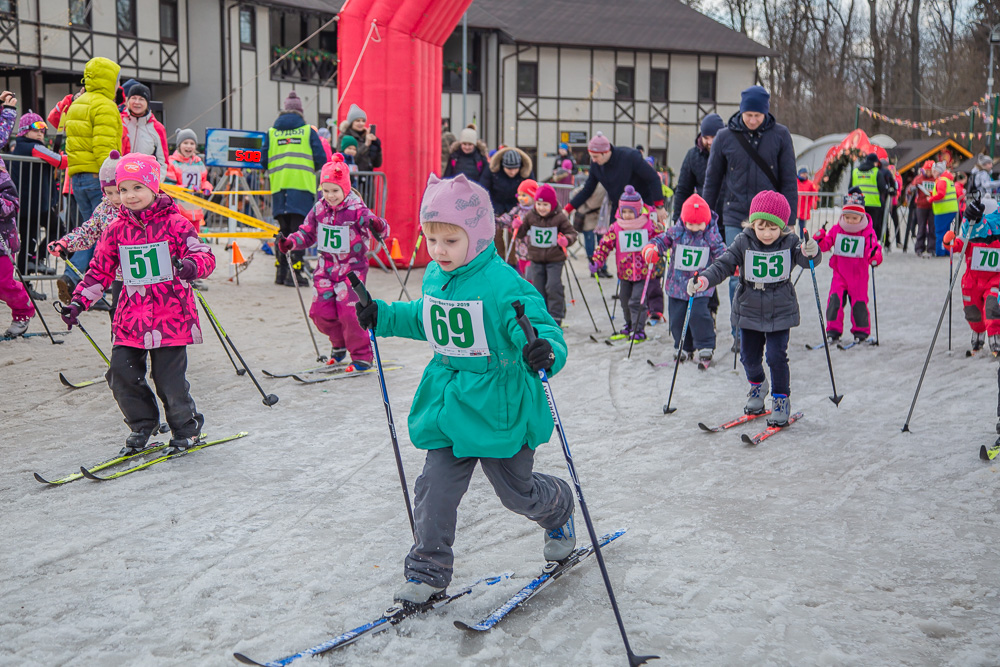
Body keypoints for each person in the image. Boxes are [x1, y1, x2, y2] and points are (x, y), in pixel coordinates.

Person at [352, 173, 576, 605]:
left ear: (476, 237)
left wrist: (543, 351)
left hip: (499, 407)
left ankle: (558, 507)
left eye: (449, 241)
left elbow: (540, 328)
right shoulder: (437, 276)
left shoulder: (502, 283)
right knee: (434, 489)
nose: (437, 251)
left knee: (517, 493)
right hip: (449, 404)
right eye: (431, 239)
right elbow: (425, 317)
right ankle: (428, 570)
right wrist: (382, 314)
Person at [59, 152, 216, 455]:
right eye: (123, 189)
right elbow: (100, 270)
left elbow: (203, 254)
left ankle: (186, 428)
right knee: (121, 373)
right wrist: (78, 302)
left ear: (154, 187)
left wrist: (190, 266)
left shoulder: (176, 223)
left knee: (168, 379)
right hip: (131, 315)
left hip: (171, 315)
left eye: (137, 188)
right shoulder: (116, 229)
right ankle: (143, 424)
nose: (129, 196)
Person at [688, 191, 821, 427]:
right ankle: (758, 387)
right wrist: (705, 280)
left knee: (776, 356)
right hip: (748, 309)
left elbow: (806, 259)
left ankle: (780, 399)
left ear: (783, 226)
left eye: (773, 228)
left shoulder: (790, 242)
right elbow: (723, 264)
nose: (767, 233)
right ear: (752, 223)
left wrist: (811, 250)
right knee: (748, 357)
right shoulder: (743, 241)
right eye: (761, 226)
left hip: (780, 310)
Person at [701, 85, 797, 350]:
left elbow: (789, 179)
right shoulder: (724, 137)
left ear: (765, 113)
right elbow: (712, 181)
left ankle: (768, 327)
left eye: (758, 115)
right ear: (741, 111)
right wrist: (707, 215)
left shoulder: (780, 135)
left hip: (772, 218)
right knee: (737, 275)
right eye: (748, 115)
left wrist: (790, 219)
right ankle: (740, 332)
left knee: (769, 276)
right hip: (736, 215)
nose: (753, 120)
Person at [276, 154, 389, 371]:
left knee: (350, 313)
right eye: (325, 191)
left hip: (352, 271)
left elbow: (382, 229)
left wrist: (377, 225)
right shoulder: (319, 208)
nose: (330, 196)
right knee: (320, 313)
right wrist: (290, 242)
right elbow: (306, 233)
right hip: (325, 269)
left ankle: (362, 356)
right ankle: (338, 346)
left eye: (335, 191)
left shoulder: (357, 209)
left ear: (345, 188)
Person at [641, 194, 726, 365]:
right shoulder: (677, 232)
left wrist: (730, 263)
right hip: (677, 285)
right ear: (683, 220)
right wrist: (652, 249)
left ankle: (705, 346)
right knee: (677, 318)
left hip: (700, 285)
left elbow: (721, 251)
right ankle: (683, 346)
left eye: (699, 224)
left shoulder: (710, 234)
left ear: (706, 221)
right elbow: (661, 240)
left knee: (698, 315)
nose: (694, 228)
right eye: (690, 224)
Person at [63, 56, 123, 288]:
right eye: (117, 80)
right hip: (99, 176)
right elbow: (105, 148)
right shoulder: (105, 105)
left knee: (90, 228)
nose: (119, 85)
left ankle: (80, 280)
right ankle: (79, 279)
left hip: (77, 175)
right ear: (109, 79)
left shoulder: (77, 102)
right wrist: (113, 179)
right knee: (101, 233)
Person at [48, 151, 123, 315]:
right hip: (117, 274)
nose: (115, 198)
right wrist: (66, 242)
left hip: (144, 275)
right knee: (118, 314)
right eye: (109, 193)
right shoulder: (105, 208)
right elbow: (88, 231)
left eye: (119, 191)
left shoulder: (139, 207)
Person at [263, 91, 327, 286]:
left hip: (279, 189)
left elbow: (263, 161)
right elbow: (321, 159)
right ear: (300, 111)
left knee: (282, 231)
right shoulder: (308, 131)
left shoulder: (272, 133)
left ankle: (281, 273)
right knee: (299, 232)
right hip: (302, 188)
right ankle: (295, 273)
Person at [7, 111, 67, 297]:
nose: (41, 132)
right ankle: (35, 262)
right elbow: (61, 162)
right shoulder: (31, 146)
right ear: (25, 130)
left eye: (44, 128)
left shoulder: (26, 145)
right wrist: (65, 156)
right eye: (37, 128)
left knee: (33, 239)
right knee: (57, 229)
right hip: (32, 204)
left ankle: (35, 262)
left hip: (32, 203)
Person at [588, 186, 658, 342]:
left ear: (638, 211)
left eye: (630, 212)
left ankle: (639, 329)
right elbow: (605, 244)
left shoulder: (648, 225)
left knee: (637, 301)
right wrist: (597, 260)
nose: (626, 215)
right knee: (625, 300)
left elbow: (659, 239)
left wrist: (657, 250)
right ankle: (629, 325)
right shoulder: (617, 226)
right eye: (624, 211)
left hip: (643, 272)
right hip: (624, 272)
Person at [813, 189, 883, 345]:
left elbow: (872, 247)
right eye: (847, 217)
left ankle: (861, 332)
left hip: (859, 275)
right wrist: (819, 239)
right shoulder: (837, 229)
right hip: (840, 274)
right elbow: (825, 245)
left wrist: (875, 256)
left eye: (854, 218)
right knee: (834, 301)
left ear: (862, 216)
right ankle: (833, 331)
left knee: (859, 303)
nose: (851, 221)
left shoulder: (867, 232)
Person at [565, 132, 666, 224]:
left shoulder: (629, 156)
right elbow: (588, 189)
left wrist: (659, 206)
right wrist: (568, 209)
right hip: (619, 208)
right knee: (614, 239)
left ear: (605, 152)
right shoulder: (596, 166)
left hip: (642, 206)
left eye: (595, 156)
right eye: (591, 156)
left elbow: (653, 178)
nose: (593, 160)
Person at [943, 198, 1000, 356]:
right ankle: (977, 338)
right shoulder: (970, 231)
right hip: (972, 280)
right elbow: (958, 245)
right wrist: (949, 242)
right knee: (972, 311)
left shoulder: (996, 234)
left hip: (994, 279)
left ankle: (996, 340)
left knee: (993, 307)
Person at [514, 183, 576, 325]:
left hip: (555, 258)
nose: (542, 208)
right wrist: (517, 227)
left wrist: (566, 240)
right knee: (538, 287)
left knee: (553, 286)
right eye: (539, 204)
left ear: (552, 205)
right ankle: (542, 314)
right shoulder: (531, 216)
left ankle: (556, 315)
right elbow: (521, 233)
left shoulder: (559, 217)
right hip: (536, 258)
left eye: (546, 205)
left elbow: (571, 233)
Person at [0, 92, 35, 338]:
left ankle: (23, 311)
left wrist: (7, 112)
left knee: (4, 283)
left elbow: (11, 201)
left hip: (1, 239)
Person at [481, 145, 533, 267]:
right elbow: (483, 188)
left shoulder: (526, 171)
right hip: (496, 204)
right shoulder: (493, 170)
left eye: (515, 169)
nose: (512, 172)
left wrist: (524, 207)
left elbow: (532, 190)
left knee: (515, 234)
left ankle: (513, 263)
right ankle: (500, 262)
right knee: (497, 234)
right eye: (509, 169)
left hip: (517, 206)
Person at [672, 113, 724, 225]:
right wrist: (677, 219)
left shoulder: (730, 153)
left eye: (713, 138)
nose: (710, 142)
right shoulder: (693, 156)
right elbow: (683, 190)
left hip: (728, 216)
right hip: (702, 219)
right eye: (706, 138)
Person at [165, 128, 213, 238]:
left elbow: (204, 180)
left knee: (195, 240)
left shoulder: (198, 162)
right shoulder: (172, 162)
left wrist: (206, 187)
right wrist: (187, 187)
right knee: (179, 239)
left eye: (192, 143)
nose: (189, 146)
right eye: (185, 143)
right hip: (178, 210)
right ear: (179, 145)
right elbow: (168, 187)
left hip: (195, 210)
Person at [120, 83, 168, 181]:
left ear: (147, 103)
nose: (137, 102)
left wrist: (156, 182)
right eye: (133, 98)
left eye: (141, 99)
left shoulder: (157, 128)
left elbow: (163, 162)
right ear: (128, 100)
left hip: (144, 181)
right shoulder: (119, 121)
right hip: (120, 178)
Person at [570, 181, 611, 278]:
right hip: (589, 217)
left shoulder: (606, 184)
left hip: (600, 217)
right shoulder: (592, 185)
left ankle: (602, 267)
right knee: (591, 244)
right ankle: (594, 268)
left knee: (602, 244)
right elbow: (578, 194)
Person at [851, 152, 886, 241]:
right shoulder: (876, 172)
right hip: (873, 204)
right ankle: (869, 246)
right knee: (871, 228)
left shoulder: (855, 171)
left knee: (858, 227)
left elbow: (850, 188)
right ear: (875, 162)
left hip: (858, 204)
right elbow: (882, 187)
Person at [337, 103, 382, 172]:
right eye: (357, 121)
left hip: (367, 178)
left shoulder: (366, 136)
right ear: (351, 122)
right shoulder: (344, 136)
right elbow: (348, 158)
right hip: (351, 177)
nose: (361, 123)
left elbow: (377, 164)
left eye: (363, 121)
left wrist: (377, 147)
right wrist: (366, 145)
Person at [927, 161, 959, 257]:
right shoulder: (948, 180)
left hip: (943, 210)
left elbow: (941, 194)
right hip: (951, 209)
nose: (932, 173)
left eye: (934, 171)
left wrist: (931, 198)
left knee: (940, 231)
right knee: (947, 232)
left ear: (937, 171)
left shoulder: (941, 180)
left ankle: (940, 251)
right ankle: (948, 250)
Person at [911, 160, 936, 257]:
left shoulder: (935, 179)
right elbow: (911, 187)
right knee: (921, 227)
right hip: (921, 205)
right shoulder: (919, 178)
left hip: (932, 205)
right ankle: (919, 247)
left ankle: (931, 248)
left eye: (930, 170)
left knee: (932, 227)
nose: (929, 173)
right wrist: (912, 189)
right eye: (927, 170)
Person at [795, 167, 818, 238]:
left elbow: (814, 194)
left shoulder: (810, 184)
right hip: (795, 206)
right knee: (791, 224)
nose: (804, 175)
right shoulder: (795, 182)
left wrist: (812, 203)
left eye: (805, 174)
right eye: (803, 173)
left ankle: (802, 238)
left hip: (804, 207)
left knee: (802, 225)